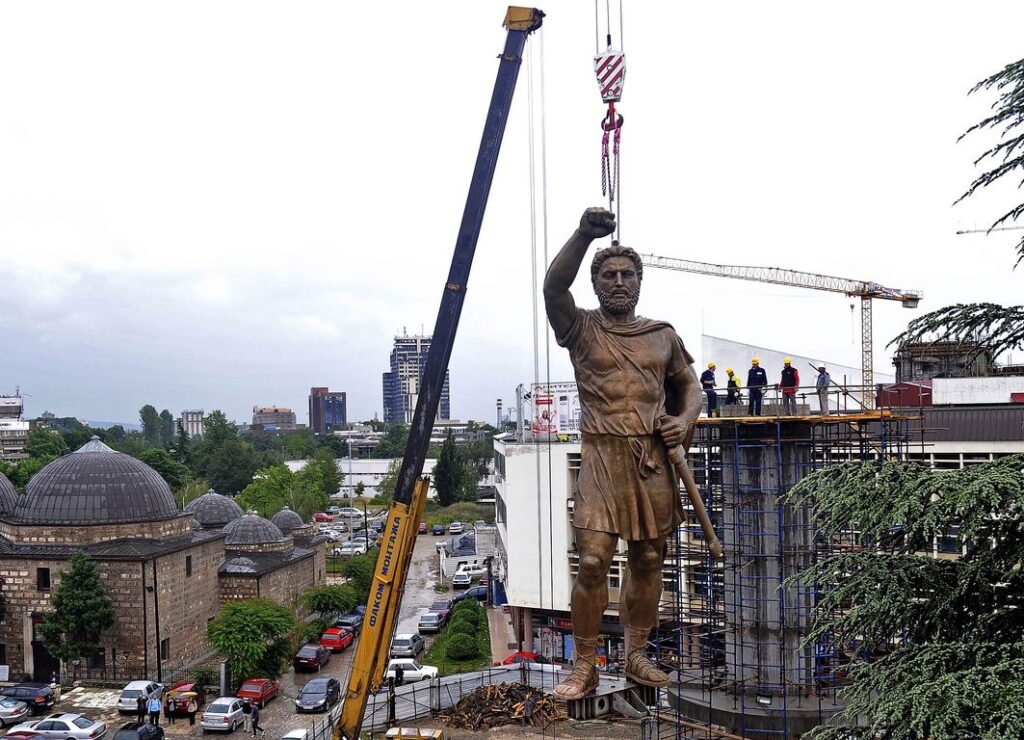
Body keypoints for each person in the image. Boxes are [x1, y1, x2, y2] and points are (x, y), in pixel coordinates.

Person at [544, 207, 702, 699]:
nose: (618, 280)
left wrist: (683, 422)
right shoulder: (581, 329)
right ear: (596, 283)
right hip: (600, 459)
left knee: (650, 557)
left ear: (639, 281)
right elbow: (552, 287)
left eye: (627, 274)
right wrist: (582, 235)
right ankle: (585, 664)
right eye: (608, 274)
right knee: (593, 562)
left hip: (651, 461)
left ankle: (636, 654)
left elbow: (689, 387)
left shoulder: (662, 335)